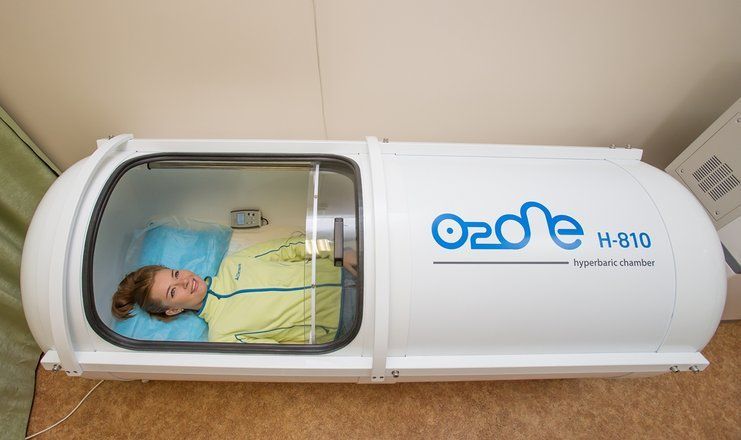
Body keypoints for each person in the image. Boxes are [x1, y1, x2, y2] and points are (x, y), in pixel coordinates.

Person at [112, 237, 358, 344]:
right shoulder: (222, 335)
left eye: (176, 274)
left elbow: (291, 246)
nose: (184, 281)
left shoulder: (234, 262)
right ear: (173, 310)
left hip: (343, 267)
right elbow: (280, 352)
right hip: (345, 321)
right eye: (173, 292)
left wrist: (337, 251)